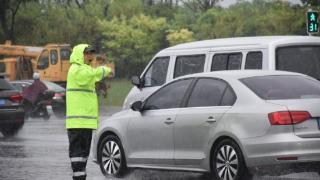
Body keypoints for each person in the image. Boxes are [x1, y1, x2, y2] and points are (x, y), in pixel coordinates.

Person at [66, 44, 112, 180]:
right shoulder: (76, 69)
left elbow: (93, 76)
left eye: (92, 52)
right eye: (87, 53)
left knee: (83, 154)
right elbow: (91, 75)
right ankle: (78, 177)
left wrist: (100, 71)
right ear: (80, 54)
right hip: (77, 122)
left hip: (85, 122)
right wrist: (104, 69)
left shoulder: (86, 69)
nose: (90, 55)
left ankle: (81, 176)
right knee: (78, 154)